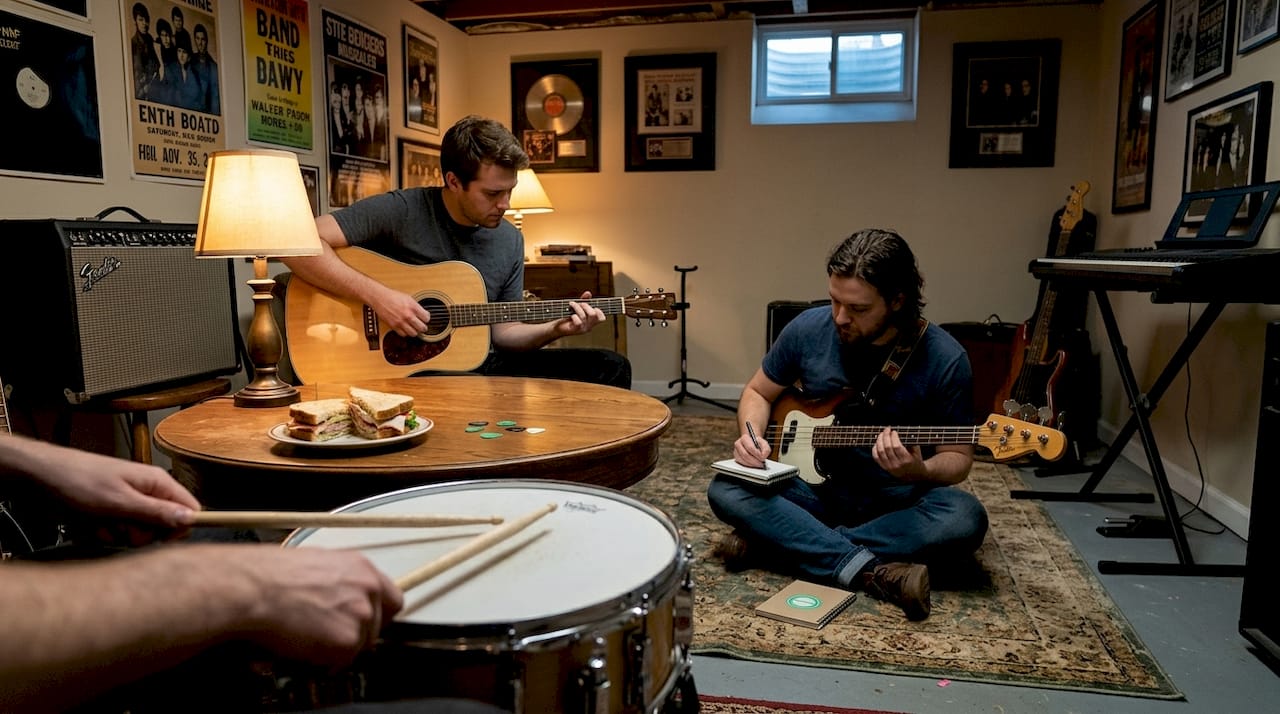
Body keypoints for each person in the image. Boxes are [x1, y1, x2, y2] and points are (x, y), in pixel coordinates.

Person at [706, 229, 988, 621]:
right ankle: (869, 570)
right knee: (726, 486)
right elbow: (758, 391)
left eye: (857, 308)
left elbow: (958, 457)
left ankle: (779, 543)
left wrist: (919, 470)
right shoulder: (808, 328)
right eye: (835, 300)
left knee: (964, 517)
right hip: (809, 493)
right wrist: (751, 436)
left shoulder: (945, 358)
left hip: (893, 503)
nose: (840, 317)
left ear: (897, 300)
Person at [282, 115, 630, 389]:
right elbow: (296, 243)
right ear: (453, 181)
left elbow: (504, 334)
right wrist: (379, 297)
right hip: (406, 369)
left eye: (510, 190)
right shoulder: (401, 210)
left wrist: (557, 329)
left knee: (610, 368)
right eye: (493, 194)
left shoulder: (509, 240)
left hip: (478, 364)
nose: (505, 204)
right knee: (472, 390)